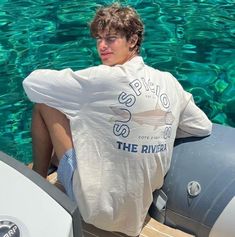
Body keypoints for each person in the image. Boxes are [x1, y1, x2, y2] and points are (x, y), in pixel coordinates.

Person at [23, 3, 212, 236]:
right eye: (98, 38)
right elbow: (202, 126)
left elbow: (32, 83)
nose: (101, 46)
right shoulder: (169, 81)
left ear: (132, 40)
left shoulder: (100, 79)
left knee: (45, 104)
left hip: (96, 210)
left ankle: (38, 182)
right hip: (135, 215)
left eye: (111, 39)